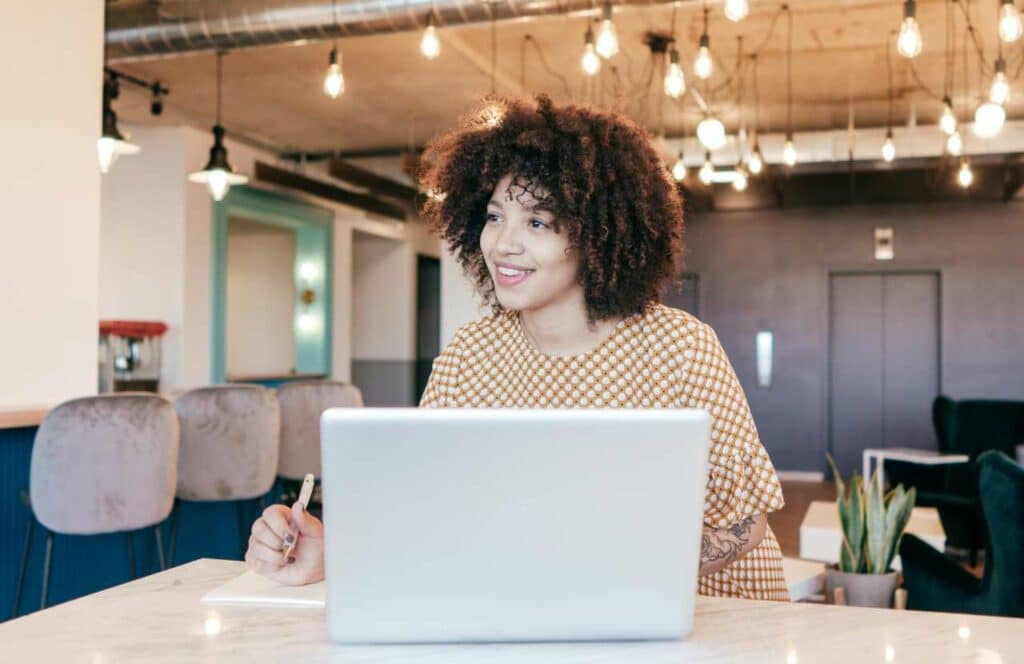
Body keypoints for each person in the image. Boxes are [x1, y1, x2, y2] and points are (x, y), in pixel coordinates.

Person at [245, 95, 789, 601]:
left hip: (715, 618)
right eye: (495, 216)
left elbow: (744, 523)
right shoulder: (470, 356)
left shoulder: (679, 348)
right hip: (553, 609)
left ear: (597, 236)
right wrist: (332, 554)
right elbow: (432, 510)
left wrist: (603, 562)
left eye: (537, 221)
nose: (504, 243)